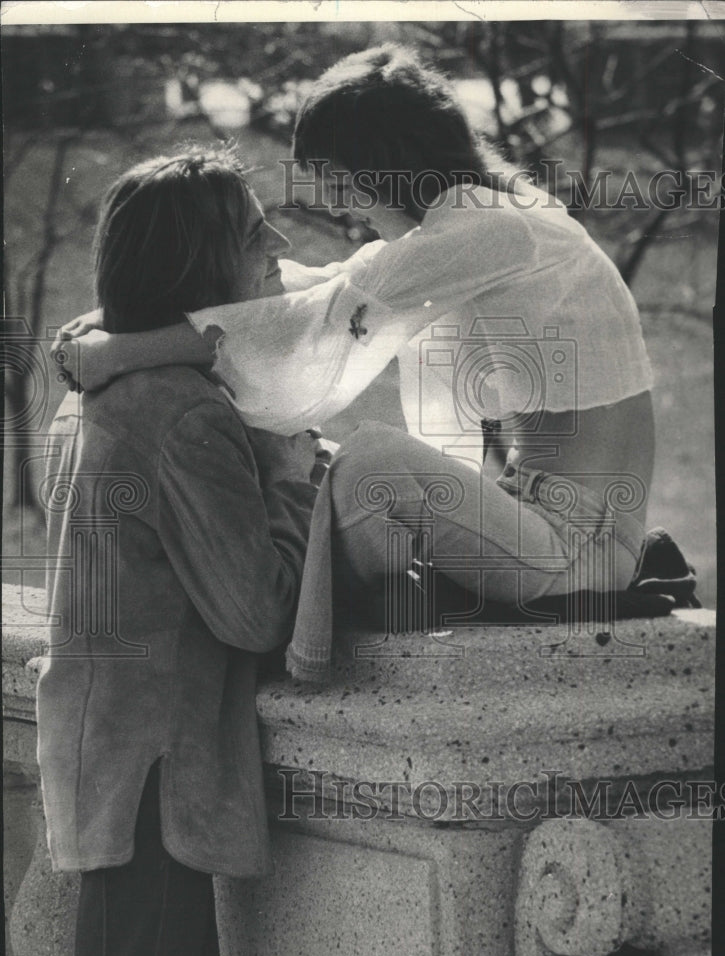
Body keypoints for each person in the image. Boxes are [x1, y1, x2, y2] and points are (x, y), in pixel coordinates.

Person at [57, 45, 668, 664]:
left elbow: (320, 313)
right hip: (549, 524)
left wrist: (121, 353)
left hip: (579, 546)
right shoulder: (483, 221)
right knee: (347, 486)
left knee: (368, 465)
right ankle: (306, 610)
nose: (346, 208)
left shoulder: (491, 230)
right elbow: (323, 285)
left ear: (382, 168)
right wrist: (123, 319)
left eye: (343, 184)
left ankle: (300, 649)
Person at [41, 148, 328, 956]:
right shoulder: (185, 412)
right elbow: (257, 614)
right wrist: (295, 477)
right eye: (250, 231)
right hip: (160, 790)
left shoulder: (91, 390)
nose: (276, 239)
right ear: (199, 262)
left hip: (110, 775)